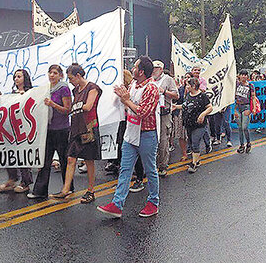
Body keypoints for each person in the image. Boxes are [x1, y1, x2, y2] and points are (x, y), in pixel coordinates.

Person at [97, 56, 160, 218]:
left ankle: (153, 202)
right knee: (125, 169)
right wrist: (121, 96)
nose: (132, 68)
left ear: (141, 71)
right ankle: (117, 204)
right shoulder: (133, 84)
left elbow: (143, 113)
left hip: (146, 135)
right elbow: (126, 105)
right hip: (130, 134)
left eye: (135, 66)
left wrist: (126, 100)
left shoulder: (152, 89)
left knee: (150, 170)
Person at [50, 63, 102, 204]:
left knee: (89, 160)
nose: (70, 81)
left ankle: (91, 190)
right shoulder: (75, 90)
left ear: (79, 76)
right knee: (70, 158)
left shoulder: (93, 88)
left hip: (89, 128)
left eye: (71, 78)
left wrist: (72, 106)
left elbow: (88, 106)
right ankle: (65, 190)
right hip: (76, 127)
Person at [27, 65, 73, 200]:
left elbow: (67, 109)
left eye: (55, 73)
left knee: (64, 160)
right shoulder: (47, 89)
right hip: (48, 129)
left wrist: (53, 104)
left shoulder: (63, 88)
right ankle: (40, 190)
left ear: (60, 76)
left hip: (61, 130)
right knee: (45, 160)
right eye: (50, 73)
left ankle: (68, 187)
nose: (52, 75)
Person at [0, 69, 35, 193]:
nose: (16, 79)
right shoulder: (13, 93)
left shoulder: (30, 92)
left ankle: (25, 181)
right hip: (12, 127)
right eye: (15, 77)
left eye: (19, 76)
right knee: (9, 152)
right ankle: (12, 178)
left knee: (23, 154)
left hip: (24, 128)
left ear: (25, 78)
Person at [151, 60, 179, 177]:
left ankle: (163, 166)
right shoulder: (149, 79)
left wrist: (164, 91)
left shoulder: (168, 79)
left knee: (163, 141)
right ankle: (152, 166)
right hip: (151, 114)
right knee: (152, 141)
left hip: (164, 114)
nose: (153, 70)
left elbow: (176, 95)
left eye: (156, 68)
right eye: (152, 68)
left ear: (161, 69)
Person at [180, 77, 213, 173]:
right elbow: (185, 106)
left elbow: (210, 107)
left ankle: (194, 164)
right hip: (188, 124)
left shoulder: (202, 96)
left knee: (195, 143)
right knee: (190, 142)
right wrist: (175, 107)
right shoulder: (188, 95)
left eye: (188, 85)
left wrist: (202, 114)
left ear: (193, 86)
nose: (186, 86)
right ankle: (197, 160)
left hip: (199, 125)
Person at [235, 70, 256, 154]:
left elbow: (253, 97)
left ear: (247, 76)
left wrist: (253, 108)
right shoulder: (236, 84)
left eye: (245, 75)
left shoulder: (251, 85)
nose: (243, 76)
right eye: (242, 75)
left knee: (244, 127)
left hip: (246, 107)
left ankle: (248, 143)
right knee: (239, 128)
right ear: (239, 76)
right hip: (237, 107)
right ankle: (241, 145)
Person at [172, 72, 191, 161]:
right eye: (185, 77)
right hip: (180, 114)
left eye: (189, 77)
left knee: (190, 135)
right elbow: (177, 100)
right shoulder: (180, 89)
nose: (187, 79)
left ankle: (194, 151)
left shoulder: (195, 91)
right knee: (181, 135)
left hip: (191, 115)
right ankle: (184, 153)